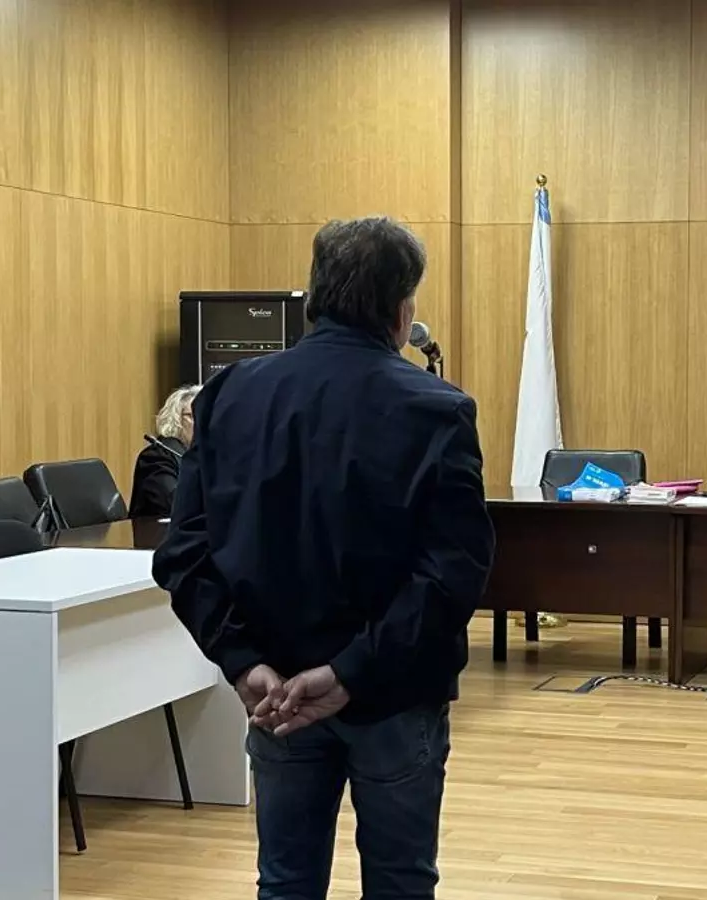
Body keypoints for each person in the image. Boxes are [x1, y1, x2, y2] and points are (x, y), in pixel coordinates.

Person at [151, 217, 495, 900]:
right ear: (403, 312)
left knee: (285, 884)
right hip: (395, 692)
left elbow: (185, 551)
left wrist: (242, 662)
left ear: (313, 298)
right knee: (400, 885)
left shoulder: (228, 395)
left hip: (274, 692)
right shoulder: (438, 410)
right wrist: (349, 672)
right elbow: (452, 573)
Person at [129, 385, 200, 518]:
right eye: (193, 416)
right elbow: (172, 504)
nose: (201, 422)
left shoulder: (204, 456)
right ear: (176, 419)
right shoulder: (157, 456)